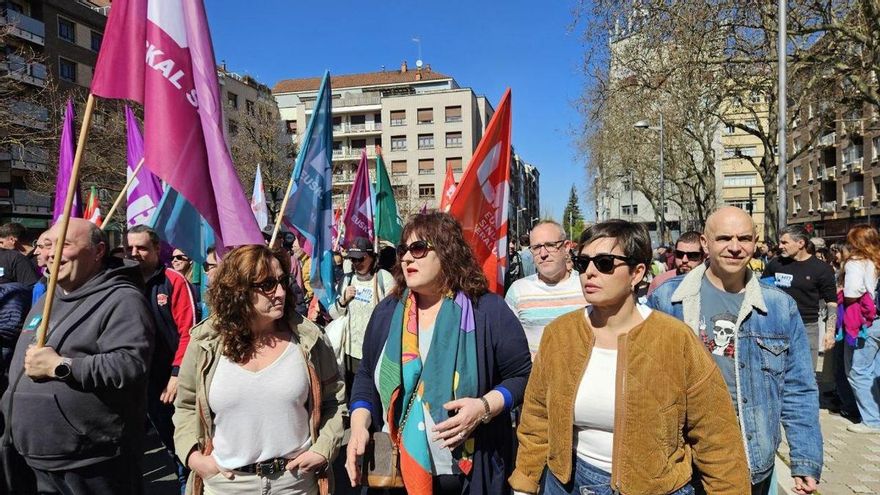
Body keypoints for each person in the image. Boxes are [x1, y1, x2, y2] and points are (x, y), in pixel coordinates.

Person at [510, 220, 749, 495]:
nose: (589, 272)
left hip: (653, 486)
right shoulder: (560, 335)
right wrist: (525, 483)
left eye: (604, 263)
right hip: (567, 484)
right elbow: (537, 417)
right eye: (582, 262)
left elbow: (716, 437)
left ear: (637, 273)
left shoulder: (674, 339)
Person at [345, 212, 532, 494]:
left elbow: (521, 376)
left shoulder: (488, 311)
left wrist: (484, 408)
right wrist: (359, 423)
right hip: (394, 471)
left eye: (418, 249)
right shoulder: (387, 312)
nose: (407, 258)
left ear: (447, 252)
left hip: (465, 474)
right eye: (403, 250)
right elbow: (365, 374)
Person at [648, 206, 822, 495]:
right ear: (705, 243)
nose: (735, 247)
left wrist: (804, 460)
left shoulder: (779, 307)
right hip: (681, 458)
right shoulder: (667, 300)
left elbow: (798, 388)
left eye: (744, 238)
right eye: (724, 238)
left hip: (750, 454)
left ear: (755, 242)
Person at [173, 245, 345, 495]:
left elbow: (334, 402)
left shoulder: (309, 340)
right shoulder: (205, 343)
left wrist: (323, 449)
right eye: (267, 285)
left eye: (282, 281)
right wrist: (193, 457)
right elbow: (186, 406)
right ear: (239, 291)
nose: (280, 292)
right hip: (226, 484)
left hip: (294, 483)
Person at [2, 218, 154, 494]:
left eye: (65, 245)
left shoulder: (122, 299)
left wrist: (61, 366)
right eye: (47, 245)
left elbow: (129, 365)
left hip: (89, 464)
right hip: (30, 459)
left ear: (97, 252)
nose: (51, 253)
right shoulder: (47, 298)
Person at [127, 224, 197, 490]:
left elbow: (189, 332)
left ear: (157, 249)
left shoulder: (174, 281)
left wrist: (177, 374)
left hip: (165, 383)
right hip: (131, 382)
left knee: (176, 447)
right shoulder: (119, 280)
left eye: (142, 248)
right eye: (129, 247)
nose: (134, 253)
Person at [505, 221, 587, 357]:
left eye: (550, 245)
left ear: (566, 247)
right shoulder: (518, 291)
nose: (543, 254)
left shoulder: (587, 287)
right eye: (536, 247)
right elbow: (509, 347)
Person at [764, 225, 837, 369]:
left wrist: (830, 332)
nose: (780, 246)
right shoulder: (775, 264)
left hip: (807, 328)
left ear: (800, 243)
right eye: (780, 242)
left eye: (785, 242)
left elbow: (832, 303)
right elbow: (763, 290)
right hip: (777, 327)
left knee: (806, 375)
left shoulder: (821, 269)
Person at [328, 237, 394, 395]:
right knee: (354, 396)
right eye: (352, 259)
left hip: (375, 351)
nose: (356, 263)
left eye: (360, 259)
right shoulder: (347, 279)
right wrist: (343, 300)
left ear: (372, 257)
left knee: (372, 395)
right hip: (351, 352)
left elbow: (394, 315)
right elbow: (333, 314)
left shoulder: (384, 278)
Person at [836, 225, 880, 434]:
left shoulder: (855, 263)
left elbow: (853, 292)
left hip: (863, 323)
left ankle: (871, 420)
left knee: (857, 370)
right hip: (877, 320)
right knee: (875, 370)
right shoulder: (876, 261)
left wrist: (841, 292)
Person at [647, 231, 705, 296]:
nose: (684, 260)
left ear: (703, 257)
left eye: (692, 255)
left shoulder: (712, 283)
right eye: (679, 254)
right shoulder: (659, 282)